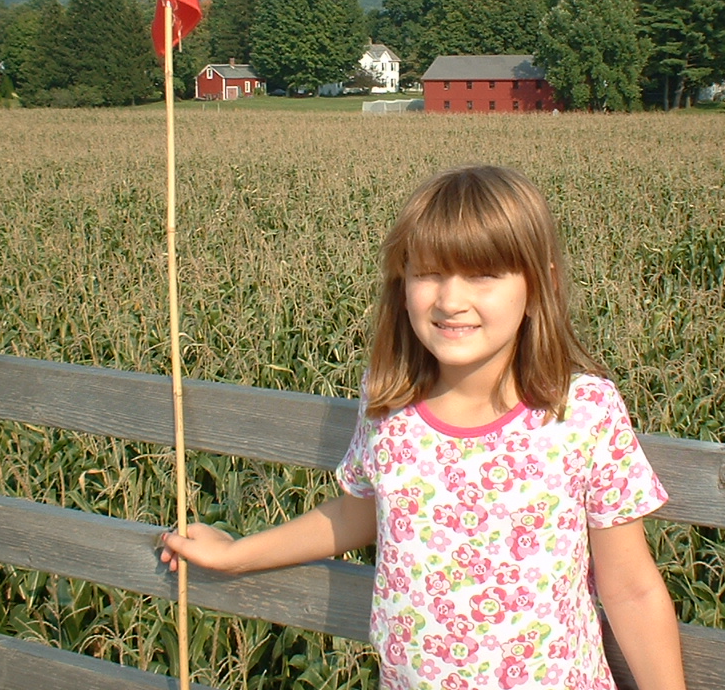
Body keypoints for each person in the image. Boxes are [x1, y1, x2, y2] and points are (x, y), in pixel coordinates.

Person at [160, 165, 685, 690]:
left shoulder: (582, 412)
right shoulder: (390, 405)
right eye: (428, 272)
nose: (450, 300)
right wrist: (234, 555)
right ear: (402, 281)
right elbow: (356, 515)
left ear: (539, 285)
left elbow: (631, 589)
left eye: (482, 274)